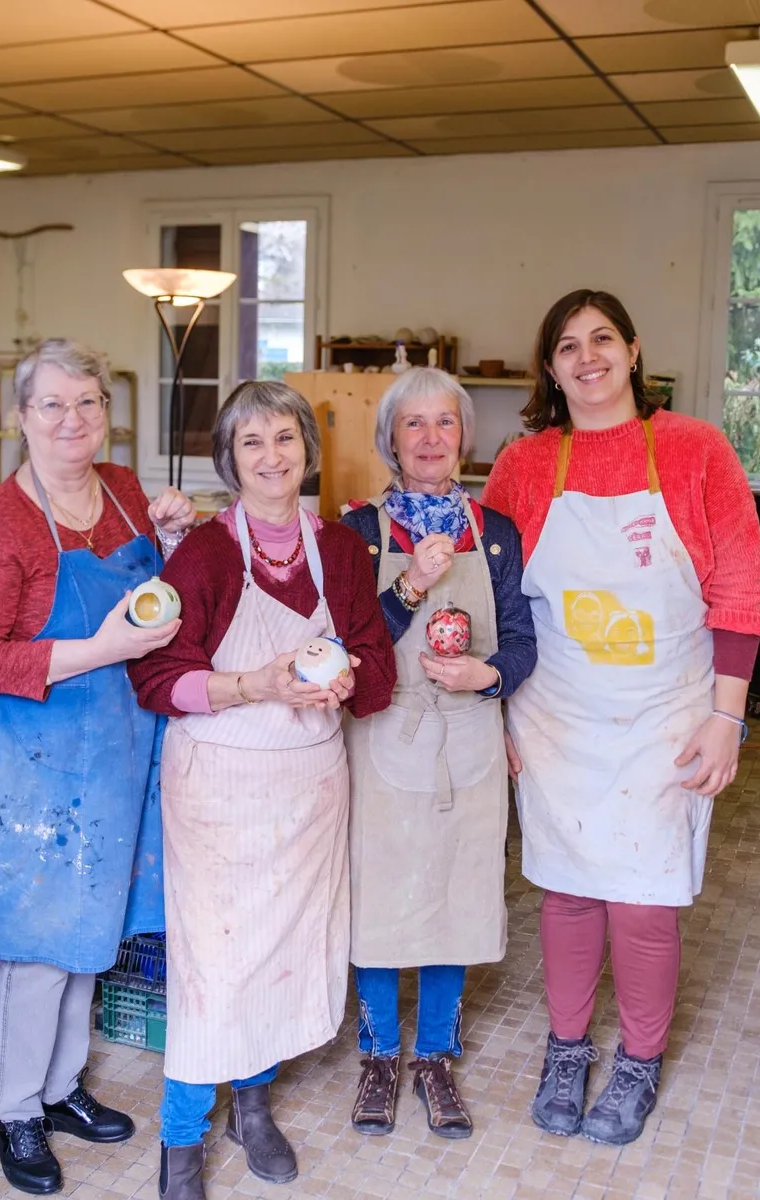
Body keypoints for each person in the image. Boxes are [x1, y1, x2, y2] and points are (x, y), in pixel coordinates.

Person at [482, 289, 760, 1148]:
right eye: (567, 345)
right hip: (558, 711)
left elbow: (740, 586)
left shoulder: (694, 449)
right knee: (567, 891)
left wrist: (728, 716)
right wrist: (494, 710)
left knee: (644, 901)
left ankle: (639, 1060)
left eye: (602, 338)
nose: (587, 357)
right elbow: (493, 600)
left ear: (635, 352)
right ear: (551, 366)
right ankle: (566, 1049)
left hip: (666, 710)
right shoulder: (525, 465)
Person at [129, 381, 397, 1200]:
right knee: (214, 961)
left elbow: (378, 674)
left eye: (286, 438)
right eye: (253, 443)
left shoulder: (343, 552)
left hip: (308, 784)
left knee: (280, 950)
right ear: (229, 459)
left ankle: (251, 1105)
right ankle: (180, 1142)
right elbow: (155, 676)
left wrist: (342, 681)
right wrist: (257, 683)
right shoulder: (205, 552)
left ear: (306, 452)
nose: (273, 456)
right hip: (219, 783)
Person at [0, 339, 196, 1195]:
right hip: (40, 767)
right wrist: (100, 647)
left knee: (91, 933)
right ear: (21, 416)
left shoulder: (125, 492)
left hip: (119, 754)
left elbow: (151, 593)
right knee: (38, 946)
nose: (72, 421)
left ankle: (60, 1090)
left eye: (87, 402)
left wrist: (164, 539)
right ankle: (14, 1110)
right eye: (52, 405)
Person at [338, 367, 536, 1140]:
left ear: (464, 436)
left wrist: (488, 674)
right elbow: (351, 648)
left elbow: (522, 642)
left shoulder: (495, 535)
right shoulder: (356, 533)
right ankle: (380, 1053)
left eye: (443, 424)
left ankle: (435, 1056)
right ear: (390, 438)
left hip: (469, 736)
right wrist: (411, 589)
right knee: (380, 896)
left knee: (458, 893)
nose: (429, 439)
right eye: (412, 424)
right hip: (387, 732)